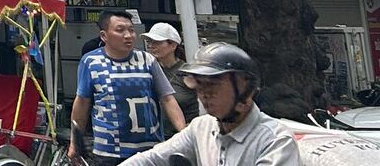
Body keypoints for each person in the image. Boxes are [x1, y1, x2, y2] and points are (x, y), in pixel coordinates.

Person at [120, 44, 298, 166]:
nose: (204, 94)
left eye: (213, 85)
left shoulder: (275, 140)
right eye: (199, 85)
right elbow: (152, 159)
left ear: (245, 91)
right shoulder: (202, 127)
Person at [70, 11, 186, 166]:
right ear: (104, 36)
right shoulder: (91, 62)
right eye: (120, 30)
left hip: (148, 151)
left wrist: (184, 134)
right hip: (109, 153)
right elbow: (82, 103)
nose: (128, 35)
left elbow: (167, 98)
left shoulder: (147, 60)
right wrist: (74, 143)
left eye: (131, 30)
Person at [141, 23, 197, 122]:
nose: (151, 46)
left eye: (157, 42)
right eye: (149, 42)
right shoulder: (148, 71)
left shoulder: (187, 72)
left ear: (173, 45)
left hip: (184, 129)